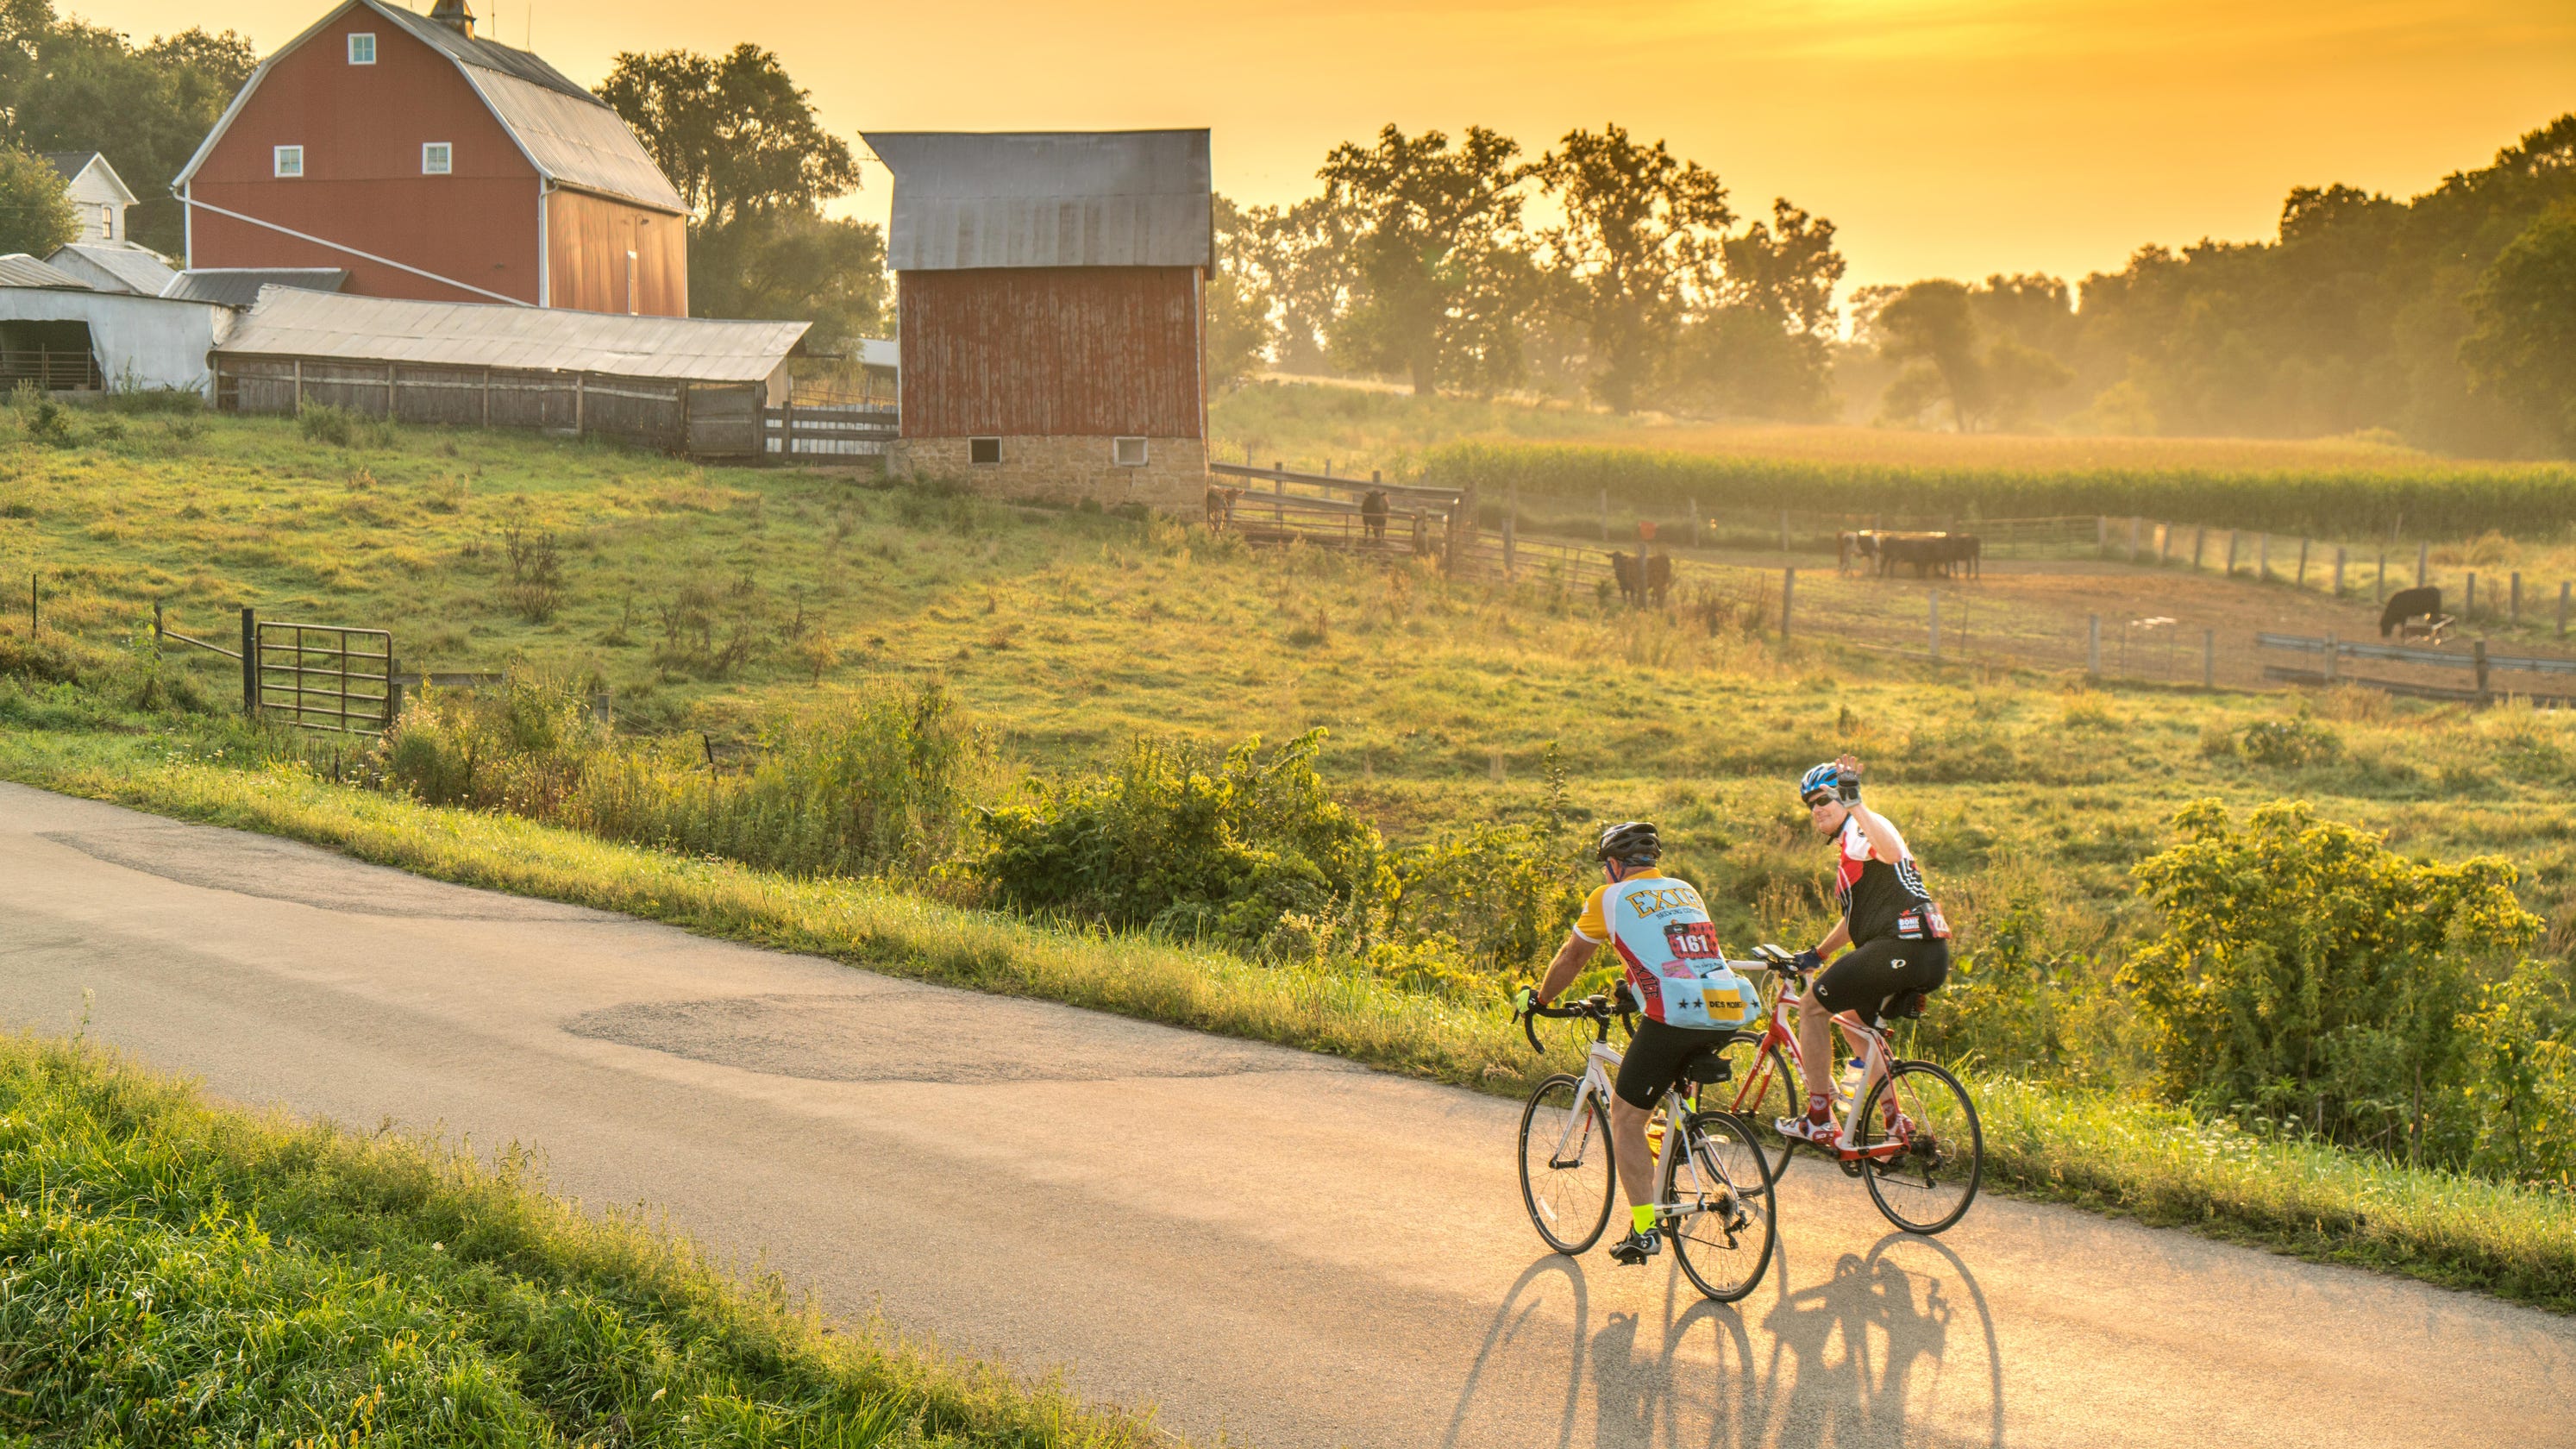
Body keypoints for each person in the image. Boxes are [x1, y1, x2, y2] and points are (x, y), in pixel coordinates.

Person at [1516, 821, 1760, 1266]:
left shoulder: (1606, 898)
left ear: (1613, 865)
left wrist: (1541, 998)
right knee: (1660, 1094)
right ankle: (1676, 1147)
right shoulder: (1685, 890)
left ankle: (1645, 1230)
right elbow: (1676, 951)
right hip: (1727, 1009)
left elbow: (1572, 956)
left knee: (1626, 1117)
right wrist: (1636, 990)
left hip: (1676, 1015)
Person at [1776, 755, 1951, 1146]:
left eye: (1823, 800)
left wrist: (1857, 804)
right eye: (1810, 804)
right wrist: (1818, 954)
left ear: (1843, 797)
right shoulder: (1853, 844)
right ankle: (1894, 1123)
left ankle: (1818, 1117)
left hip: (1901, 945)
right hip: (1927, 953)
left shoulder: (1861, 828)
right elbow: (1855, 922)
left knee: (1811, 1008)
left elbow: (1890, 852)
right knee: (1853, 1020)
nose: (1815, 810)